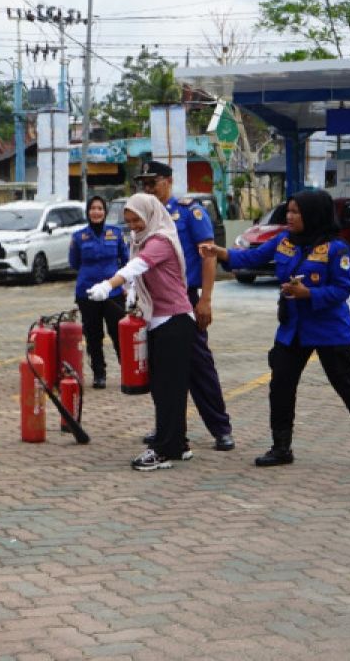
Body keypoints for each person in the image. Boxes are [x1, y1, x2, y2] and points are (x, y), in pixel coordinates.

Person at [201, 190, 350, 469]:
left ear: (313, 215)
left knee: (347, 387)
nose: (290, 216)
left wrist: (309, 293)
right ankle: (281, 447)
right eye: (289, 211)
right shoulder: (284, 241)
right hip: (293, 329)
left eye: (296, 212)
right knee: (281, 385)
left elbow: (342, 290)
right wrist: (220, 252)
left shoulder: (337, 248)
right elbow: (252, 258)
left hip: (329, 330)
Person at [87, 193, 196, 471]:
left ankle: (163, 450)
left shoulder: (160, 241)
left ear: (150, 215)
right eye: (129, 220)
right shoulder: (142, 239)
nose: (133, 225)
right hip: (159, 320)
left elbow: (138, 266)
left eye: (137, 219)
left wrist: (108, 285)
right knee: (166, 389)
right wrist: (130, 295)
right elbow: (139, 278)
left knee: (167, 389)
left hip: (174, 320)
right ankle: (177, 443)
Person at [135, 161, 235, 451]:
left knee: (198, 365)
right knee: (160, 369)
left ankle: (220, 428)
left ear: (169, 181)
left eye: (153, 183)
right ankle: (167, 427)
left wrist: (205, 300)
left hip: (184, 300)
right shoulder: (146, 217)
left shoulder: (189, 211)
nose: (149, 189)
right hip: (152, 303)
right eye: (144, 185)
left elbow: (208, 256)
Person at [68, 195, 129, 389]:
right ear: (88, 212)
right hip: (88, 294)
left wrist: (125, 286)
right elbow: (74, 263)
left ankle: (127, 373)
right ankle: (99, 374)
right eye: (93, 208)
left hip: (113, 293)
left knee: (118, 333)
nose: (96, 212)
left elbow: (125, 260)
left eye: (100, 208)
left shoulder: (116, 233)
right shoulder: (78, 236)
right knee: (93, 335)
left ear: (105, 212)